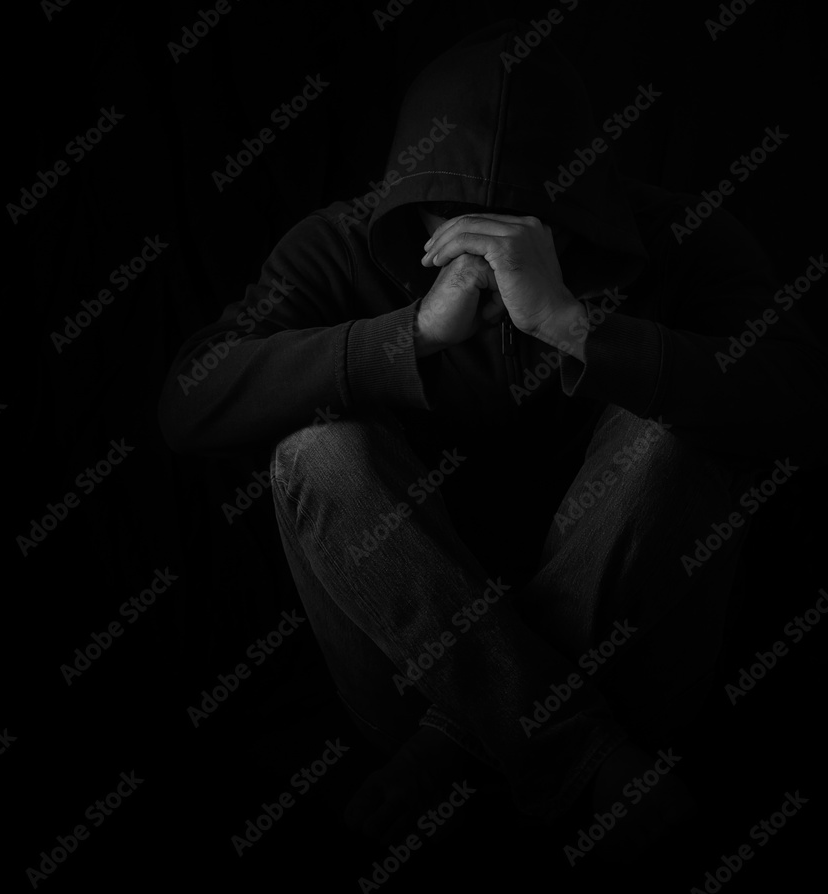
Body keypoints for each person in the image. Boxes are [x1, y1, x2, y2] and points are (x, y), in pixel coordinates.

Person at [159, 20, 828, 859]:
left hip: (632, 666)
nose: (482, 243)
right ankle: (571, 751)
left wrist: (579, 328)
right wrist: (407, 338)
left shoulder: (680, 239)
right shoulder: (340, 243)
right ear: (409, 194)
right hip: (403, 671)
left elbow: (809, 403)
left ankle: (463, 732)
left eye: (517, 217)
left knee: (670, 438)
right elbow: (188, 400)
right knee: (317, 452)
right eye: (452, 212)